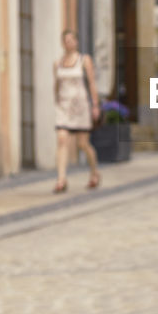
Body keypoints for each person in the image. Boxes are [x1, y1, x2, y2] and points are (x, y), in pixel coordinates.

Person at [52, 29, 100, 193]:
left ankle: (94, 172)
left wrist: (95, 105)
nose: (68, 43)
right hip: (64, 106)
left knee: (83, 144)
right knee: (62, 140)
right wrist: (56, 101)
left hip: (80, 107)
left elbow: (92, 83)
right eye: (65, 40)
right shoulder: (57, 63)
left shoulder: (84, 60)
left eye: (71, 40)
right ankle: (61, 179)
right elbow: (56, 85)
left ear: (76, 42)